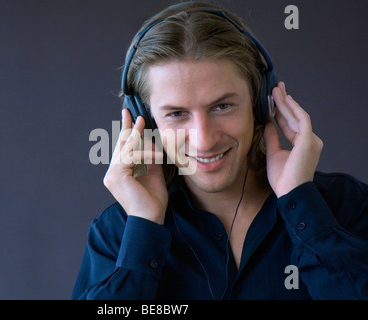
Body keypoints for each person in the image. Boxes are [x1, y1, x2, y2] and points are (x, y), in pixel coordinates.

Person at [72, 1, 368, 300]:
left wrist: (303, 206)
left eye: (222, 106)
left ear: (260, 103)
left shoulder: (346, 206)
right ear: (146, 122)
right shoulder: (117, 233)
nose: (204, 140)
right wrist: (143, 230)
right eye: (176, 114)